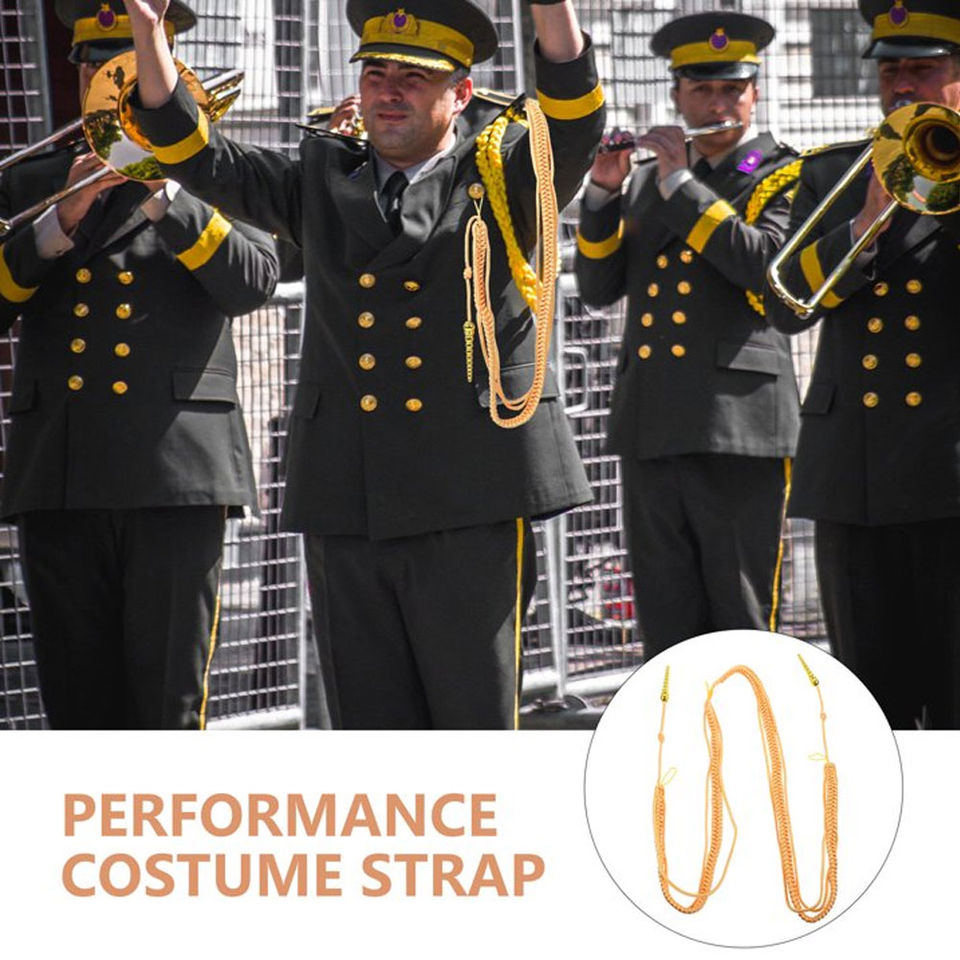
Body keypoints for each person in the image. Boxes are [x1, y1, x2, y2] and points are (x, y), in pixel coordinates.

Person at [121, 0, 604, 729]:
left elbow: (572, 116)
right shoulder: (322, 175)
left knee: (472, 724)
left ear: (461, 93)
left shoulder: (507, 169)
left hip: (470, 491)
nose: (388, 92)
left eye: (413, 78)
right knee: (371, 725)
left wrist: (549, 7)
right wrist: (148, 31)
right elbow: (195, 152)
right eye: (376, 75)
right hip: (351, 494)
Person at [0, 0, 280, 729]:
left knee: (167, 708)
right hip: (61, 474)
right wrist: (59, 221)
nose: (108, 82)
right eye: (96, 68)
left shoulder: (221, 173)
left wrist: (163, 189)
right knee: (77, 705)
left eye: (125, 68)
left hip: (176, 477)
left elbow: (253, 282)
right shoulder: (34, 181)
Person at [575, 12, 800, 658]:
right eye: (702, 90)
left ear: (755, 94)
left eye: (733, 90)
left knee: (740, 616)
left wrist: (681, 182)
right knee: (666, 618)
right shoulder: (649, 179)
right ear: (676, 95)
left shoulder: (782, 173)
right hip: (652, 420)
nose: (718, 104)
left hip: (739, 426)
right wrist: (603, 193)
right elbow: (599, 287)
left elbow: (766, 268)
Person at [766, 0, 960, 729]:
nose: (903, 84)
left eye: (924, 70)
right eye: (891, 71)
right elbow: (786, 304)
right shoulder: (834, 173)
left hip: (950, 474)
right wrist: (860, 228)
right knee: (870, 702)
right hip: (857, 476)